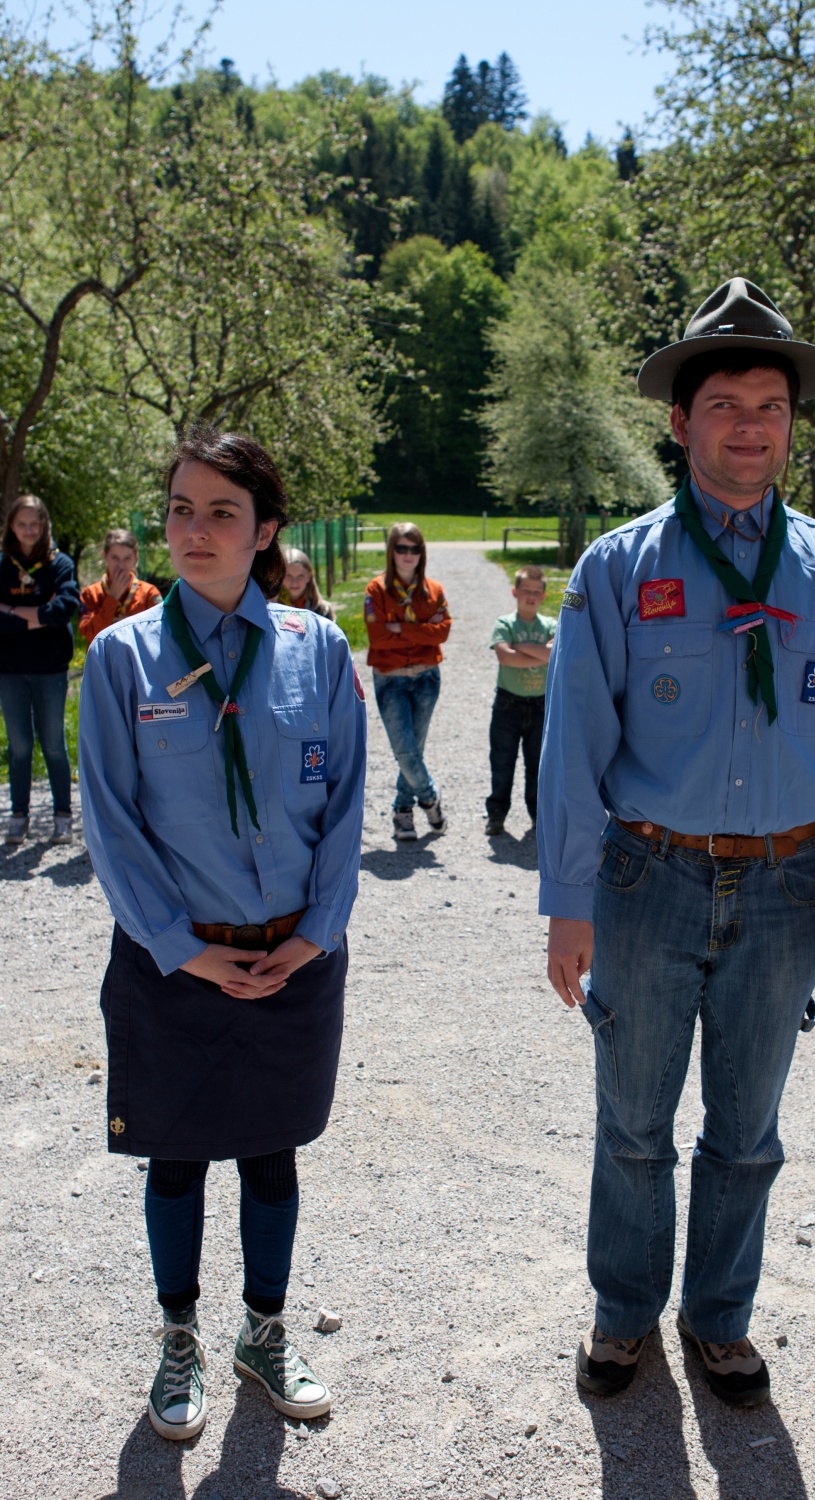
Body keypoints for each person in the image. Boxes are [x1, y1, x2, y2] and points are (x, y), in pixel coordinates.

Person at [538, 278, 815, 1408]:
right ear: (682, 421)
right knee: (634, 1123)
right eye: (726, 403)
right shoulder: (618, 568)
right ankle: (621, 1313)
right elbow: (573, 746)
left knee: (746, 1134)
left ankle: (719, 1320)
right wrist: (569, 899)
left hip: (791, 881)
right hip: (646, 875)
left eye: (771, 405)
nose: (750, 425)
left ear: (792, 422)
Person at [78, 429, 366, 1441]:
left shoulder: (317, 650)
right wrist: (184, 947)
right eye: (180, 509)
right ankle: (176, 1337)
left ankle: (264, 1329)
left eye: (221, 513)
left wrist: (315, 934)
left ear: (267, 533)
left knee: (272, 1153)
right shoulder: (120, 658)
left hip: (292, 954)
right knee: (175, 1158)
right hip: (173, 961)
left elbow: (345, 812)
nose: (194, 531)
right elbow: (109, 822)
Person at [0, 493, 80, 845]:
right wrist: (39, 616)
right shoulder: (2, 564)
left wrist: (14, 612)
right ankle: (19, 816)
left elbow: (65, 608)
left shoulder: (60, 563)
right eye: (22, 524)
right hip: (11, 669)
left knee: (53, 745)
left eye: (35, 523)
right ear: (12, 527)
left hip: (51, 669)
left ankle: (62, 815)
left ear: (44, 525)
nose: (29, 530)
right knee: (19, 747)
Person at [364, 521, 450, 841]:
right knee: (405, 750)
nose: (408, 554)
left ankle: (403, 810)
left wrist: (399, 627)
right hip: (391, 680)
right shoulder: (376, 590)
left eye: (415, 548)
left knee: (415, 748)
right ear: (391, 552)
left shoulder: (434, 590)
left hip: (427, 677)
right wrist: (424, 628)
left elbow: (444, 632)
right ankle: (429, 799)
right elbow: (378, 637)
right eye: (401, 548)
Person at [485, 565, 557, 836]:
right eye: (525, 590)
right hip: (508, 705)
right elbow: (505, 657)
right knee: (502, 760)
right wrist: (538, 652)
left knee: (538, 764)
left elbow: (553, 655)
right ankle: (496, 814)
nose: (531, 596)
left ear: (544, 596)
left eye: (536, 592)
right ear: (515, 592)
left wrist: (521, 647)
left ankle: (538, 815)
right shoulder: (505, 623)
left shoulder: (551, 624)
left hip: (541, 705)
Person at [79, 528, 163, 647]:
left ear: (135, 558)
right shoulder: (90, 593)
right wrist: (112, 599)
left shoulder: (149, 593)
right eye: (115, 558)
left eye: (127, 558)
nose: (121, 566)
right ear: (105, 556)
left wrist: (131, 626)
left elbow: (161, 632)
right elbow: (88, 633)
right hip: (103, 662)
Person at [280, 545, 336, 621]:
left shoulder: (323, 611)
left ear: (309, 576)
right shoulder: (271, 608)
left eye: (300, 576)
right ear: (279, 576)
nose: (294, 582)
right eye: (288, 576)